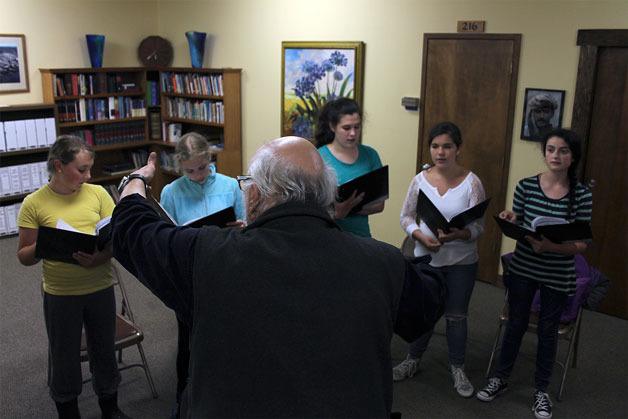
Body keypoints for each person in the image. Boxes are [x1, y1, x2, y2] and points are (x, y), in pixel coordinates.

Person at [111, 136, 409, 418]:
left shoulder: (205, 255)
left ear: (253, 194)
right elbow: (427, 306)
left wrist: (134, 180)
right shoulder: (384, 261)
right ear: (327, 195)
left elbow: (130, 229)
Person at [477, 129, 592, 419]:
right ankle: (500, 378)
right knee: (515, 323)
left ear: (572, 156)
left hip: (557, 271)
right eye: (551, 149)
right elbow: (519, 220)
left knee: (547, 331)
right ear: (545, 152)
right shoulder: (526, 185)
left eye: (563, 150)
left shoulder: (581, 194)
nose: (556, 155)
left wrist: (551, 246)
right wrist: (510, 219)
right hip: (525, 266)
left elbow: (581, 245)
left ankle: (541, 390)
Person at [16, 135, 128, 419]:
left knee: (104, 351)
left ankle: (110, 408)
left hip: (100, 287)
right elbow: (24, 256)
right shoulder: (34, 203)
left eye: (90, 168)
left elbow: (114, 241)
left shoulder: (99, 194)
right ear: (58, 166)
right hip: (61, 294)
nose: (89, 175)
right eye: (82, 169)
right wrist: (44, 245)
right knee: (64, 357)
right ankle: (68, 411)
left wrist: (100, 257)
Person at [394, 122, 486, 398]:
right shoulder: (420, 180)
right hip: (426, 259)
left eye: (447, 146)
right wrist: (419, 235)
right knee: (424, 312)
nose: (441, 152)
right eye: (435, 146)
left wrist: (463, 233)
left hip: (461, 261)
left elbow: (480, 226)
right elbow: (406, 217)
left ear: (458, 149)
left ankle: (458, 368)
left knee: (456, 316)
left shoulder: (472, 182)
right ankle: (412, 359)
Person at [158, 132, 245, 418]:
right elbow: (166, 237)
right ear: (179, 166)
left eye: (201, 168)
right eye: (189, 170)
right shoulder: (171, 192)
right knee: (189, 339)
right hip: (190, 274)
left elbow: (246, 227)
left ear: (210, 160)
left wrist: (239, 228)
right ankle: (183, 397)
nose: (196, 175)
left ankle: (226, 395)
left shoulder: (230, 185)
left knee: (227, 336)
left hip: (225, 269)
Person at [315, 97, 384, 237]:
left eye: (357, 127)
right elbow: (311, 205)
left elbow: (379, 204)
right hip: (328, 238)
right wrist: (335, 212)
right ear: (332, 127)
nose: (352, 133)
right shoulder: (318, 157)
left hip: (362, 238)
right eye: (346, 128)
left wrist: (345, 208)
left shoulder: (371, 155)